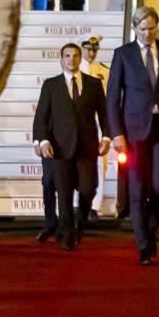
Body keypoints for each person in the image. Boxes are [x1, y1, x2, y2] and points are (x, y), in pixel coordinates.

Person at [107, 7, 159, 265]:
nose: (147, 34)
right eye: (143, 29)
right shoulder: (123, 54)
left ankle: (151, 230)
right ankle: (143, 246)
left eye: (152, 29)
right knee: (137, 188)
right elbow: (113, 98)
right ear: (135, 29)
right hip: (133, 131)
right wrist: (116, 133)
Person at [33, 44, 108, 250]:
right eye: (67, 56)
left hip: (87, 147)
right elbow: (41, 117)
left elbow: (104, 114)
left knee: (88, 189)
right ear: (61, 60)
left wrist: (107, 137)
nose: (71, 59)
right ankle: (67, 235)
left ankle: (80, 222)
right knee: (64, 193)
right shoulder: (51, 85)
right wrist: (43, 141)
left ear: (80, 58)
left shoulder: (94, 84)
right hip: (60, 148)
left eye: (75, 56)